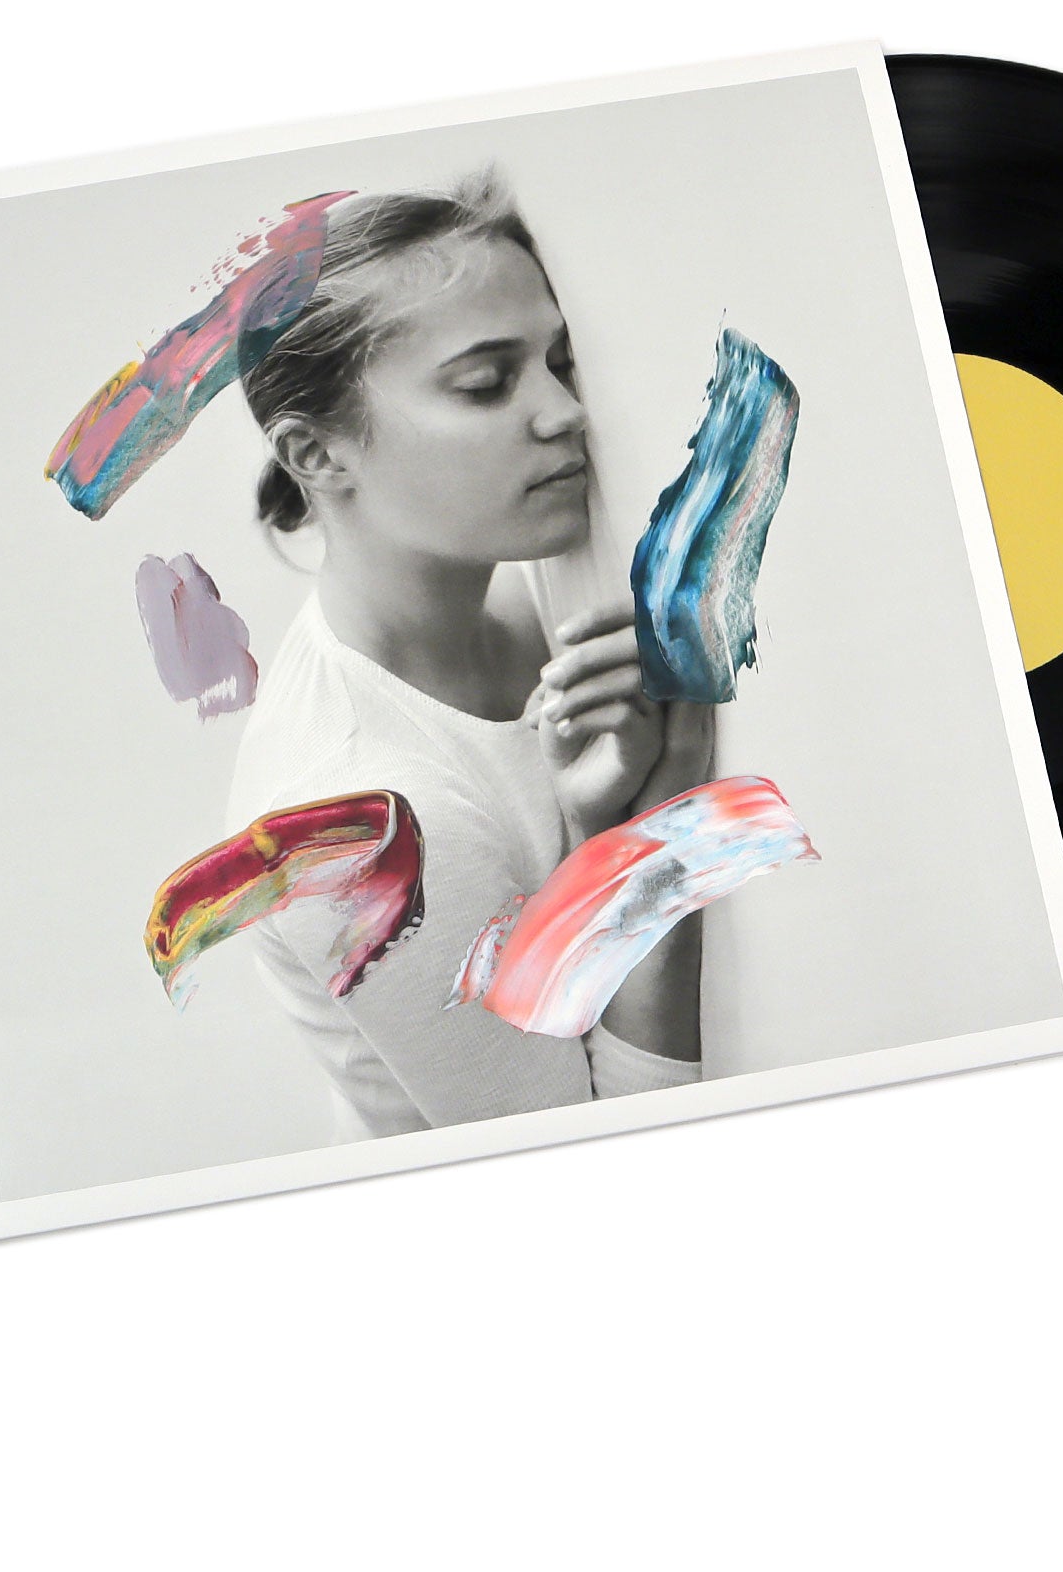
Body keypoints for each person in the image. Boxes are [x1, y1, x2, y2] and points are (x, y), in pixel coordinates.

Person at [225, 172, 713, 1140]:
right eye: (487, 383)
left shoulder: (540, 579)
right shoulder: (356, 833)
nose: (565, 412)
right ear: (317, 455)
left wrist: (597, 830)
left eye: (562, 362)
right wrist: (657, 834)